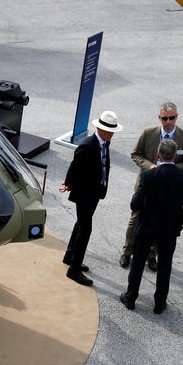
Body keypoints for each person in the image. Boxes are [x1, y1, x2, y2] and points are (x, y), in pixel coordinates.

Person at [119, 139, 183, 315]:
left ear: (158, 155)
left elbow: (135, 203)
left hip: (146, 226)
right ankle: (159, 303)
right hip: (169, 230)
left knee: (138, 263)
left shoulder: (148, 176)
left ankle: (130, 298)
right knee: (165, 265)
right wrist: (178, 221)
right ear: (176, 155)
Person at [119, 102, 183, 271]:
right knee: (136, 218)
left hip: (168, 187)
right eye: (164, 118)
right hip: (148, 183)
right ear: (159, 117)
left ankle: (152, 255)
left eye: (172, 118)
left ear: (177, 116)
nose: (168, 122)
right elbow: (135, 154)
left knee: (160, 221)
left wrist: (171, 169)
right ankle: (127, 251)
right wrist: (151, 167)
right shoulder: (148, 133)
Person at [59, 110, 122, 286]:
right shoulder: (88, 145)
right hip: (84, 194)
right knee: (85, 229)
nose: (111, 135)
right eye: (109, 131)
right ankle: (74, 269)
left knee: (80, 225)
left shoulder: (104, 143)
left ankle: (70, 256)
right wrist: (68, 183)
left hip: (94, 192)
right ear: (101, 130)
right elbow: (75, 165)